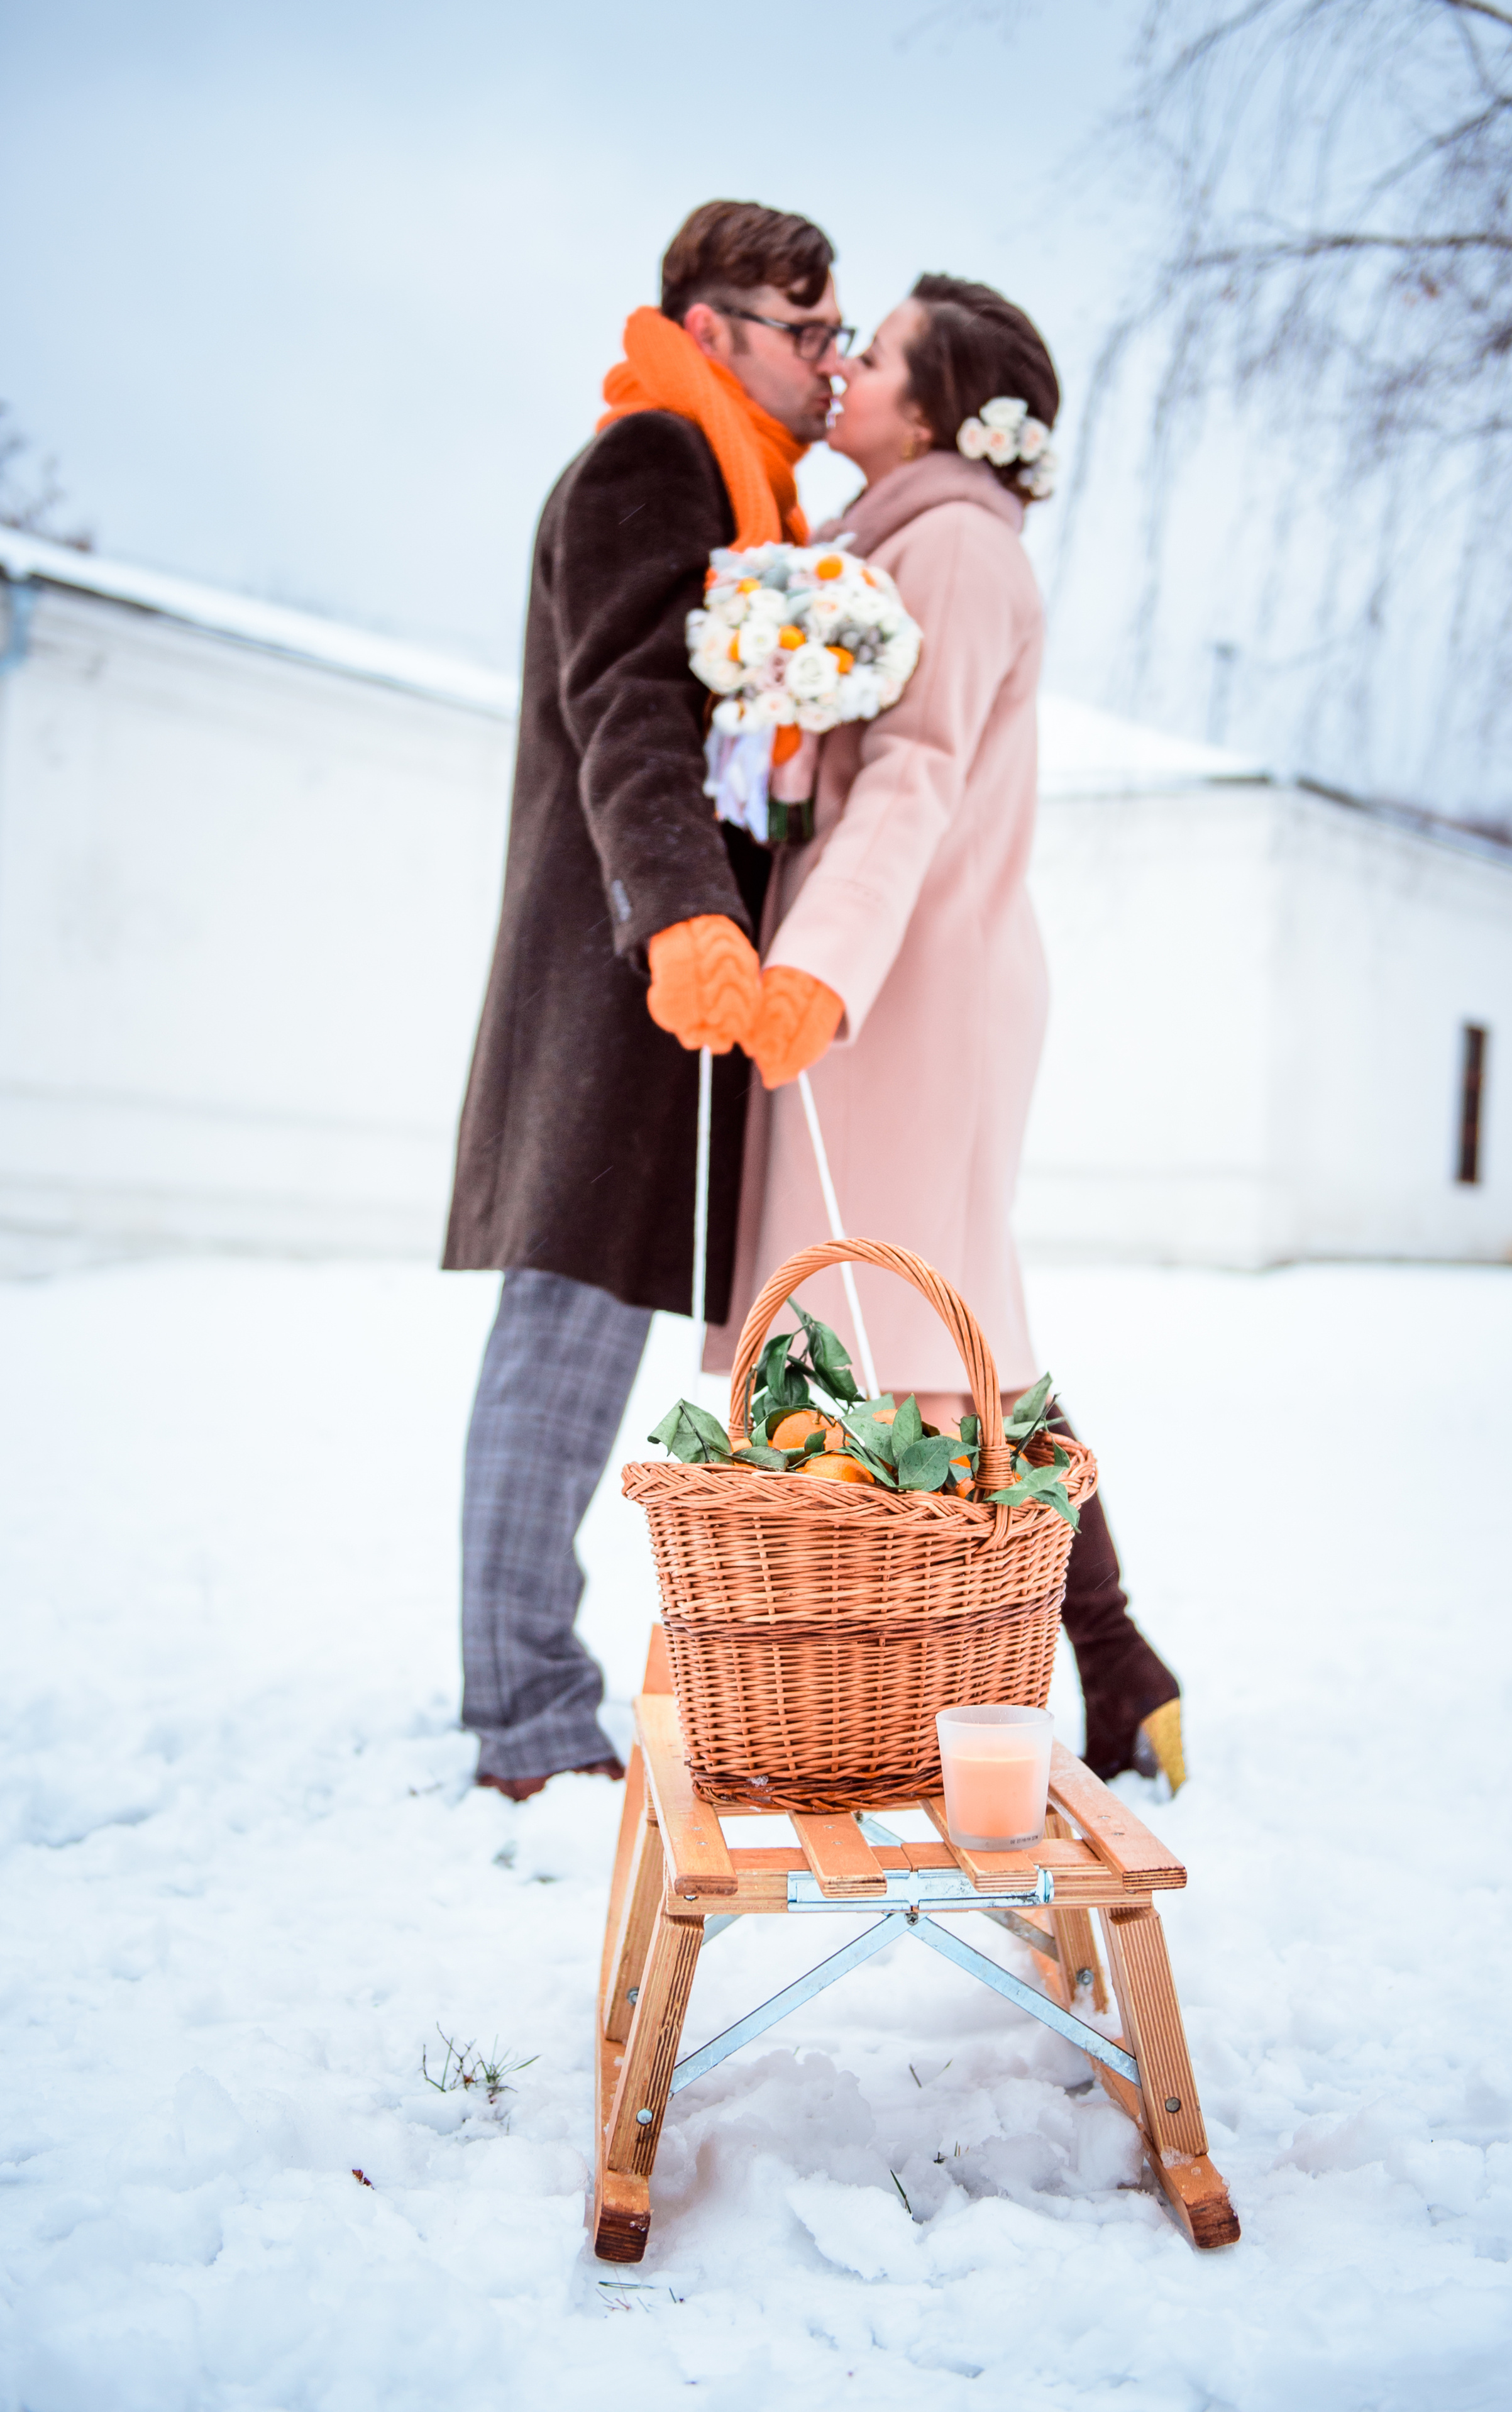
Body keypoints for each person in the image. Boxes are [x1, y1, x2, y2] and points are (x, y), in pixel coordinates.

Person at [712, 275, 1186, 1788]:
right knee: (941, 1328)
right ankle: (1104, 1664)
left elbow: (911, 781)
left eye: (876, 353)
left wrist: (819, 971)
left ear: (930, 405)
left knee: (919, 1334)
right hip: (888, 973)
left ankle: (922, 1676)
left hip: (914, 982)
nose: (841, 370)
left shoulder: (960, 555)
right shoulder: (896, 544)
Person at [443, 200, 851, 1798]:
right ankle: (527, 1718)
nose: (828, 359)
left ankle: (544, 1695)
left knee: (589, 1329)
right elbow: (625, 696)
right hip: (630, 980)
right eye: (802, 328)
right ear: (710, 331)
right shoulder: (651, 462)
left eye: (835, 330)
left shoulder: (741, 481)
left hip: (674, 984)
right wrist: (683, 914)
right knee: (566, 1329)